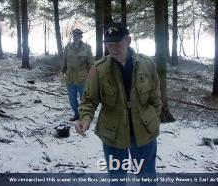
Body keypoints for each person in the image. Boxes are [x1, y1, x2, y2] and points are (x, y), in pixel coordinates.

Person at [75, 22, 162, 185]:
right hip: (113, 135)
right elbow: (89, 99)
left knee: (148, 178)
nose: (113, 48)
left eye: (117, 43)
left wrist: (152, 120)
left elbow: (156, 98)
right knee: (117, 180)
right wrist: (85, 118)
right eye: (109, 44)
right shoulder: (99, 69)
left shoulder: (147, 64)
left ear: (128, 40)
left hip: (144, 133)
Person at [61, 29, 94, 121]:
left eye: (78, 35)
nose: (76, 37)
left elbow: (91, 63)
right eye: (74, 35)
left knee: (84, 99)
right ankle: (76, 114)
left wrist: (90, 75)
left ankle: (85, 115)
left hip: (82, 78)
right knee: (72, 99)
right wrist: (62, 71)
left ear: (81, 36)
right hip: (70, 77)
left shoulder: (87, 47)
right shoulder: (68, 47)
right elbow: (64, 61)